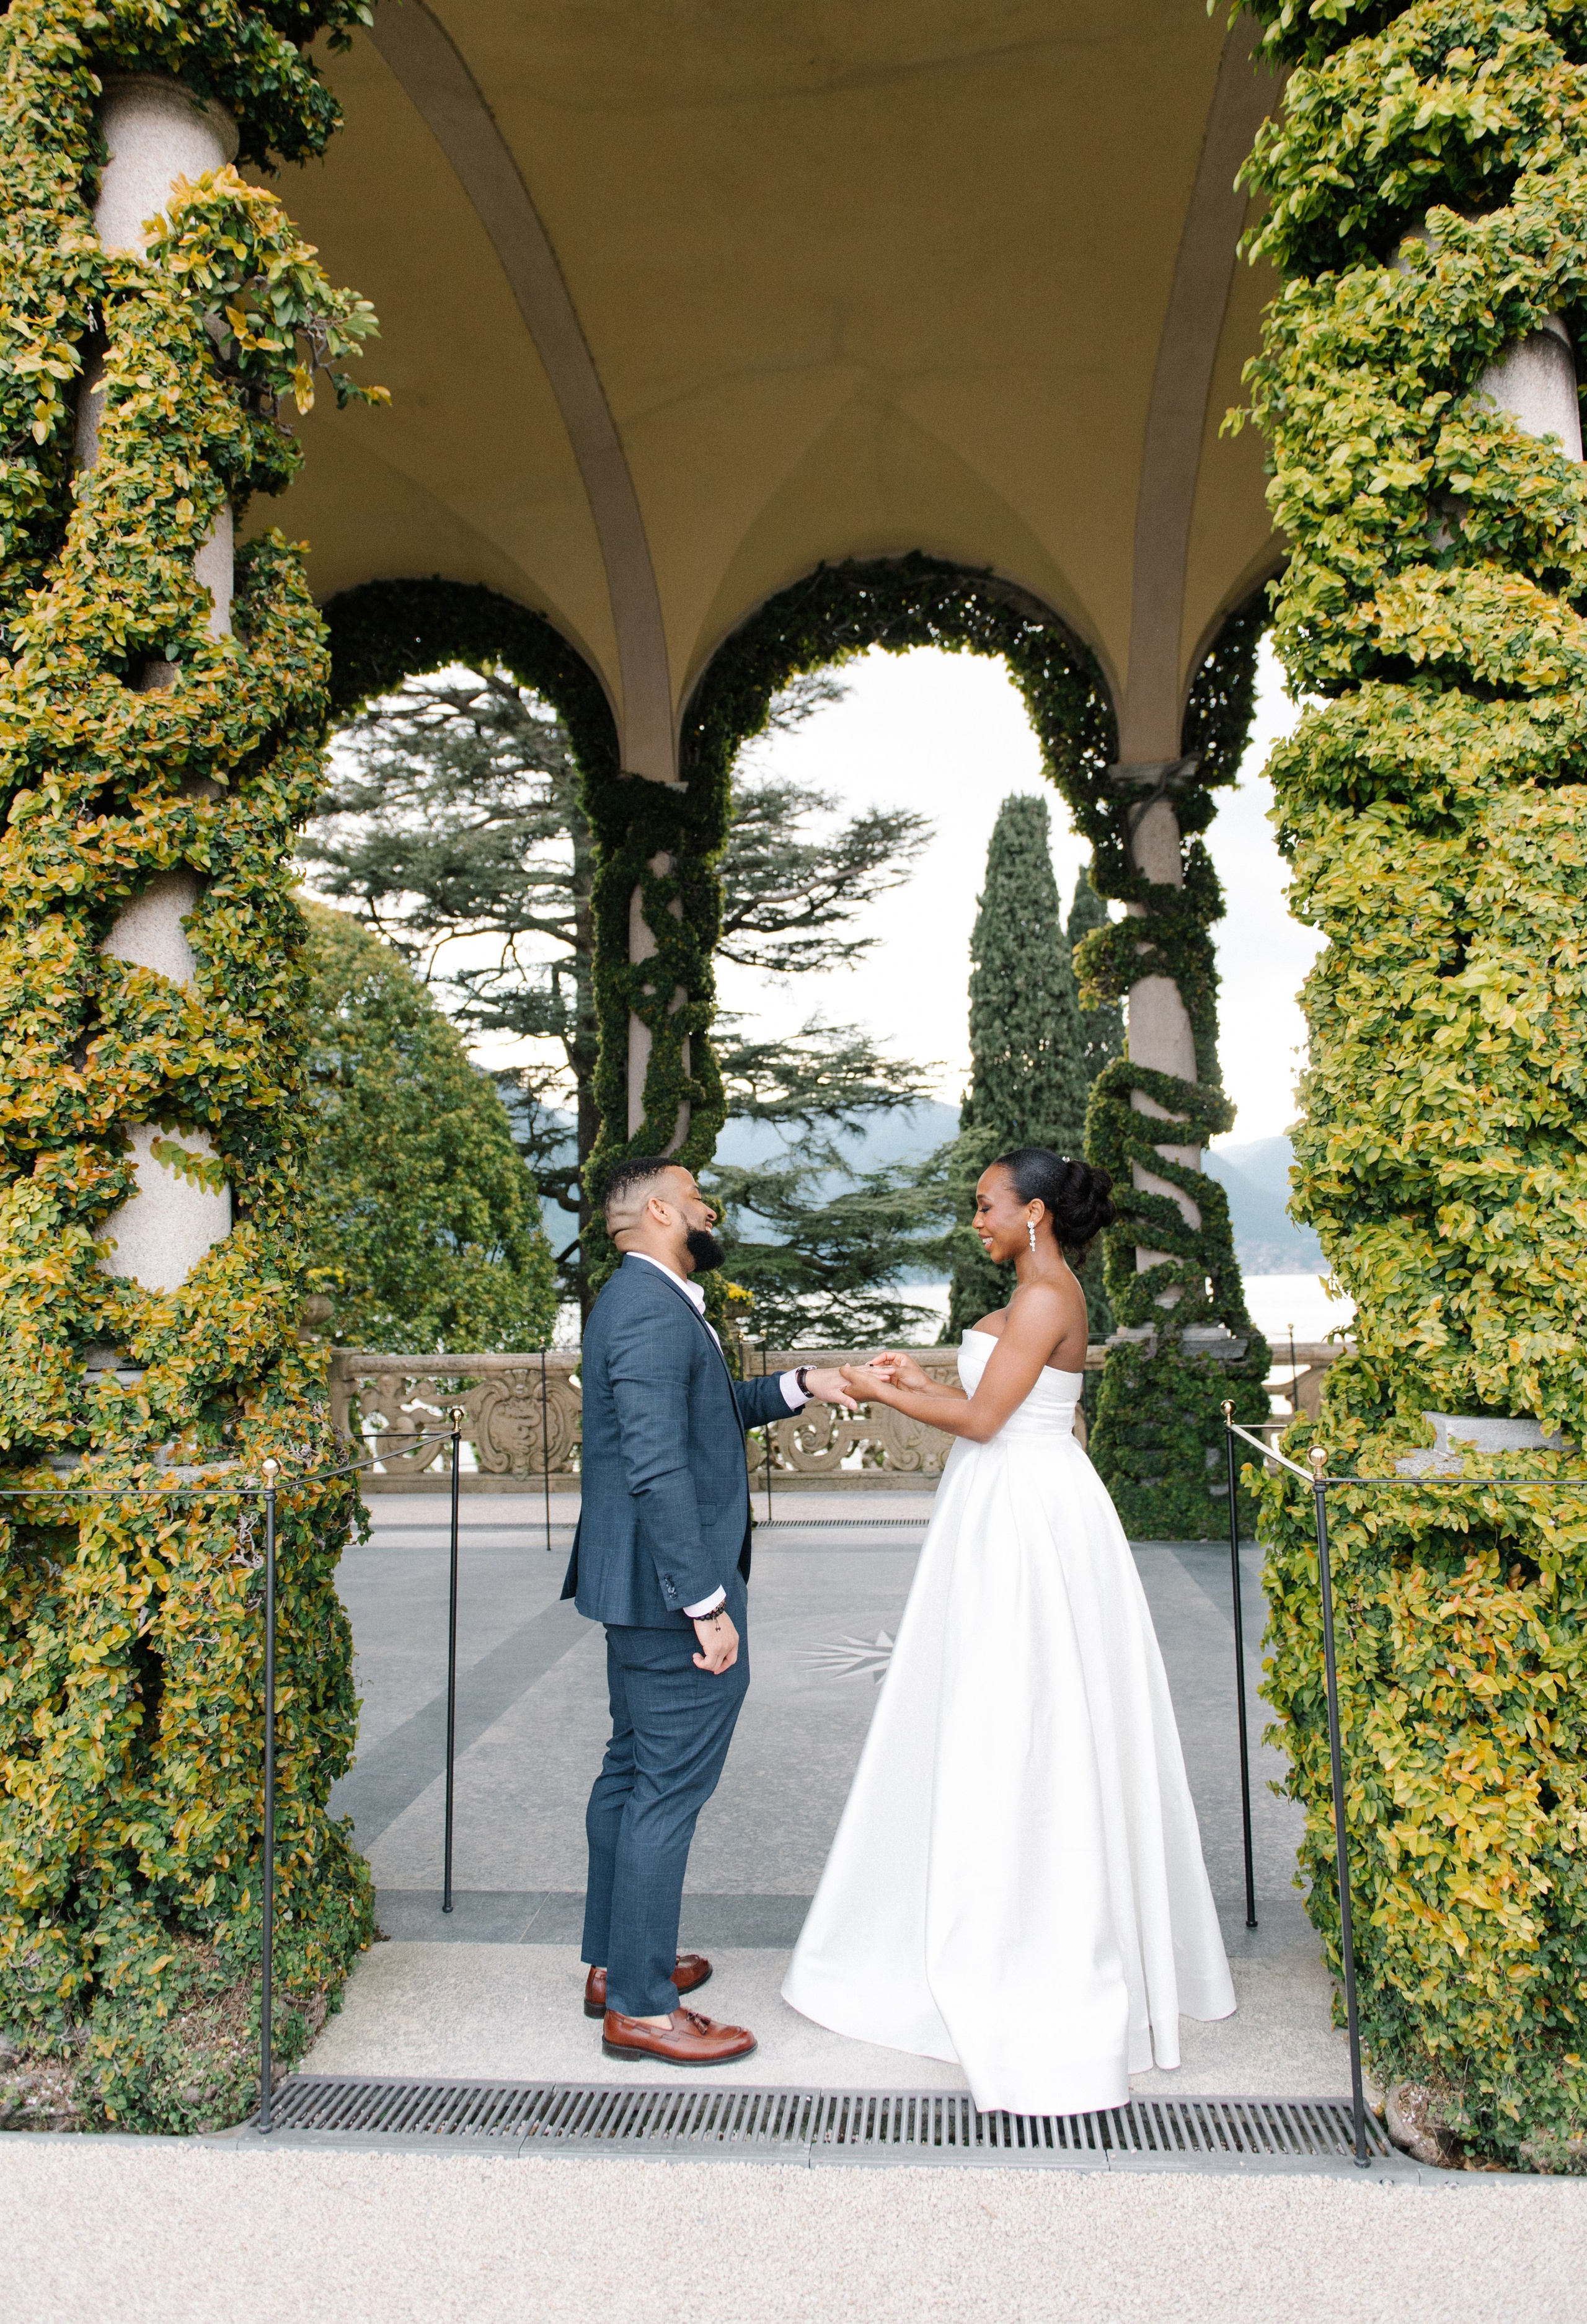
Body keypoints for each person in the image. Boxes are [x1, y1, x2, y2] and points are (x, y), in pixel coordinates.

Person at [782, 1146, 1235, 2114]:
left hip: (1022, 1512)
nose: (974, 1219)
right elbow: (1028, 1407)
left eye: (986, 1205)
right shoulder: (1039, 1290)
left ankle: (1026, 1929)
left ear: (1033, 1213)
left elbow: (988, 1418)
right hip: (1016, 1502)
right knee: (1006, 1706)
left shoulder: (1042, 1296)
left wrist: (879, 1387)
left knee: (1019, 1711)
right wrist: (916, 1373)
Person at [564, 1155, 855, 2067]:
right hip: (666, 1593)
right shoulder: (651, 1308)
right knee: (664, 1788)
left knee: (629, 1771)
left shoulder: (639, 1299)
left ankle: (619, 1962)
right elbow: (658, 1466)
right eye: (696, 1198)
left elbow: (702, 1416)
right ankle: (644, 2008)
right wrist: (706, 1603)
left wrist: (801, 1384)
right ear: (658, 1211)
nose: (708, 1208)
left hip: (635, 1588)